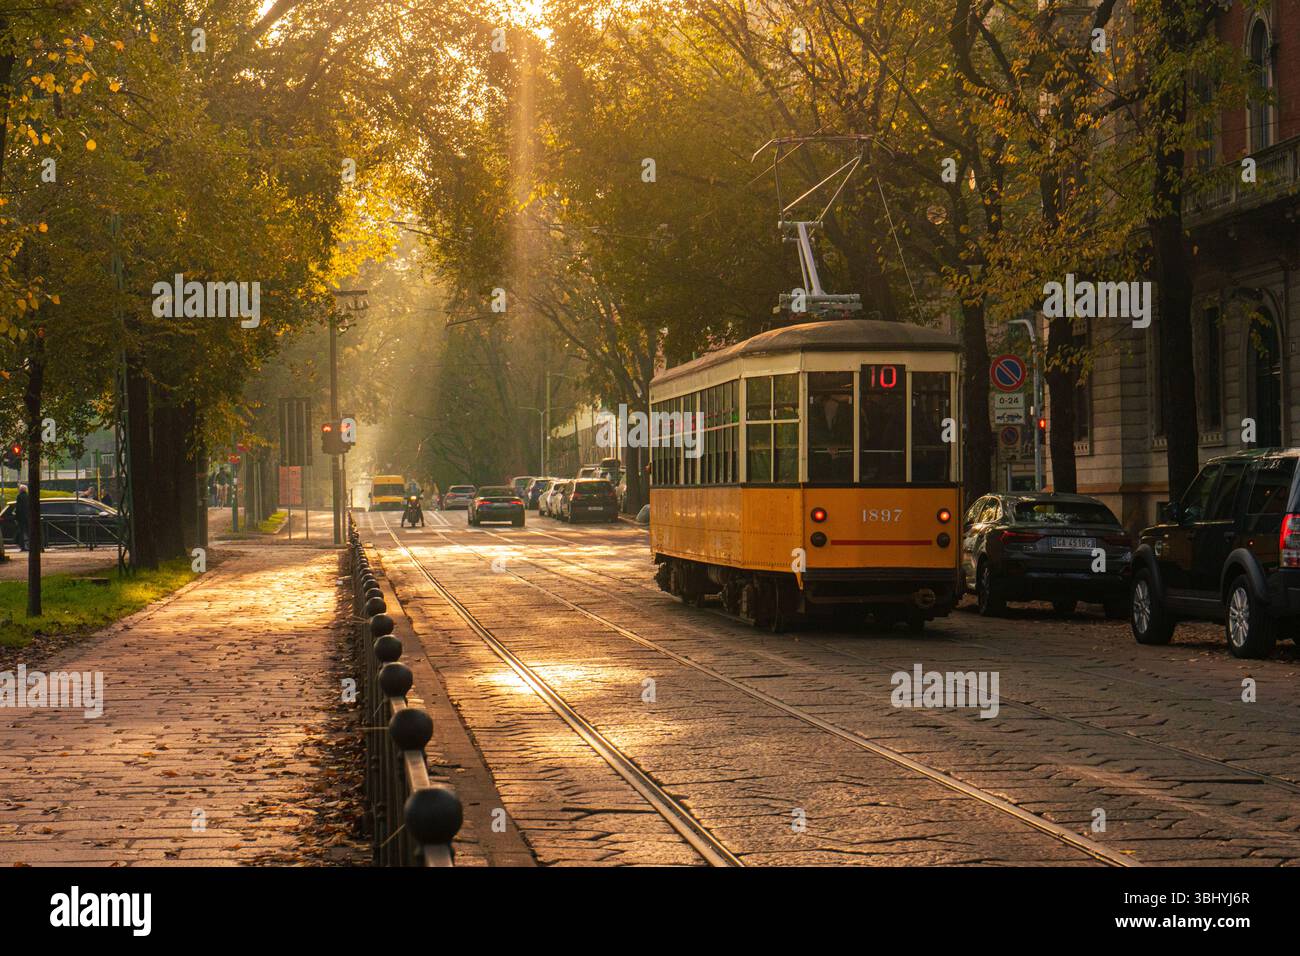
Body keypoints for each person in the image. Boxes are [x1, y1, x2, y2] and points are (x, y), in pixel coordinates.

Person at [14, 484, 29, 552]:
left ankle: (23, 546)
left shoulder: (19, 496)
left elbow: (18, 508)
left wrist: (16, 517)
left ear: (20, 490)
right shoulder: (28, 496)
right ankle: (29, 545)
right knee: (28, 532)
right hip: (28, 517)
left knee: (22, 532)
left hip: (21, 517)